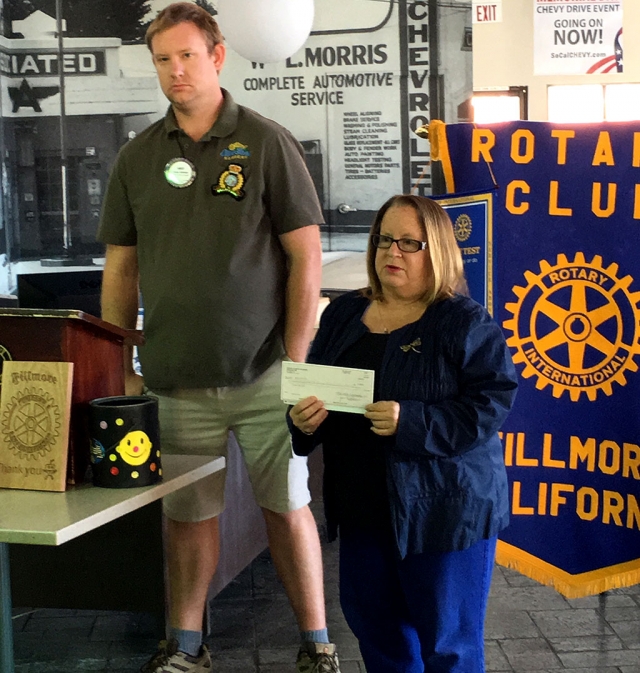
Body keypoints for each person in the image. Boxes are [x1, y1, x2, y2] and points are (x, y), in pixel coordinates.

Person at [97, 4, 340, 672]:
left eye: (187, 56)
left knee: (288, 509)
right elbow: (120, 270)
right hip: (174, 378)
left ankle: (317, 643)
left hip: (264, 374)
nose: (175, 71)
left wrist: (295, 362)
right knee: (187, 518)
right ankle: (187, 647)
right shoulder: (138, 157)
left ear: (218, 55)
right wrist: (121, 364)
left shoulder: (265, 142)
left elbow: (306, 256)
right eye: (162, 59)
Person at [288, 194, 518, 673]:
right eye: (385, 240)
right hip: (362, 511)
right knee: (380, 639)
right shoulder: (343, 315)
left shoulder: (464, 321)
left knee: (449, 649)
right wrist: (302, 422)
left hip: (445, 513)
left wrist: (412, 423)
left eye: (409, 243)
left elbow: (490, 405)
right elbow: (314, 391)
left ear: (437, 251)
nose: (393, 252)